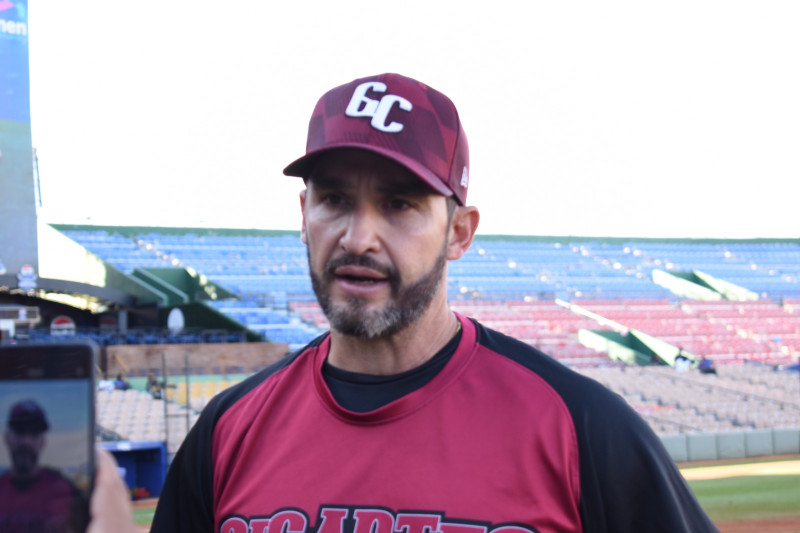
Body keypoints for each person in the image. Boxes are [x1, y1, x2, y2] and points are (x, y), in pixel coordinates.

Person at [152, 73, 718, 532]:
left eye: (399, 204)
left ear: (459, 232)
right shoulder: (227, 431)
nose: (357, 238)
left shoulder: (582, 427)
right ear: (303, 215)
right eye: (335, 200)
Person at [0, 399, 89, 531]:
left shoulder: (65, 491)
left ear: (43, 441)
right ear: (7, 438)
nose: (26, 441)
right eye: (20, 432)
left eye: (34, 433)